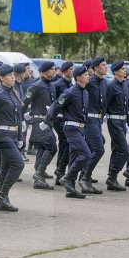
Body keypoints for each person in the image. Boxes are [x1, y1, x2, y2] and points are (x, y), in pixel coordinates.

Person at [44, 66, 90, 199]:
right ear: (78, 77)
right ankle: (67, 177)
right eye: (85, 74)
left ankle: (71, 189)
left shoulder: (85, 92)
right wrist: (47, 120)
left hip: (80, 128)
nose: (88, 76)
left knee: (75, 157)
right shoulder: (70, 92)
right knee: (85, 154)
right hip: (71, 128)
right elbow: (56, 105)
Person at [0, 64, 25, 211]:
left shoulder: (14, 92)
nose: (13, 77)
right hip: (1, 135)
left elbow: (17, 117)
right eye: (9, 76)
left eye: (13, 75)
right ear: (1, 78)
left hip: (12, 134)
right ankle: (3, 195)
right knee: (18, 163)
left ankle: (2, 201)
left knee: (6, 167)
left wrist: (20, 137)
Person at [23, 61, 57, 190]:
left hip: (48, 121)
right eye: (50, 69)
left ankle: (39, 173)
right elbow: (25, 103)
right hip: (39, 121)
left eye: (54, 69)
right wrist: (22, 118)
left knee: (43, 147)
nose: (53, 71)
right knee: (51, 147)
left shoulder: (52, 85)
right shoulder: (35, 86)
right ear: (42, 72)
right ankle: (38, 175)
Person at [80, 56, 108, 194]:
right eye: (103, 65)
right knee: (99, 149)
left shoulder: (103, 83)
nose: (106, 67)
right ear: (95, 68)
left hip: (98, 120)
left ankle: (84, 175)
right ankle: (84, 178)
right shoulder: (89, 83)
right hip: (89, 120)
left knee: (96, 145)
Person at [104, 61, 129, 191]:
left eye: (124, 69)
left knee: (116, 149)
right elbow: (106, 104)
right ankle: (112, 176)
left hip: (122, 121)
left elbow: (126, 104)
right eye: (122, 69)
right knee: (124, 150)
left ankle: (111, 179)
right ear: (115, 72)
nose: (124, 71)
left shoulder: (125, 85)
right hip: (114, 121)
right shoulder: (111, 86)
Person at [51, 61, 74, 184]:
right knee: (66, 141)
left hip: (68, 118)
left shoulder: (71, 84)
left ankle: (60, 171)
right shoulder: (57, 85)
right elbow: (54, 103)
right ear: (64, 71)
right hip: (59, 118)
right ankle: (60, 170)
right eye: (70, 69)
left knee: (65, 144)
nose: (73, 70)